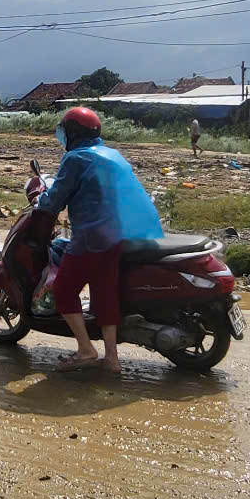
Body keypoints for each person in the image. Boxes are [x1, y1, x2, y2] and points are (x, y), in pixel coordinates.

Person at [35, 107, 163, 374]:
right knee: (104, 295)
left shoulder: (76, 158)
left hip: (90, 238)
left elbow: (56, 196)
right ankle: (112, 359)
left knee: (64, 290)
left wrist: (40, 202)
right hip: (116, 236)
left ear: (73, 133)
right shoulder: (111, 155)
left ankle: (85, 349)